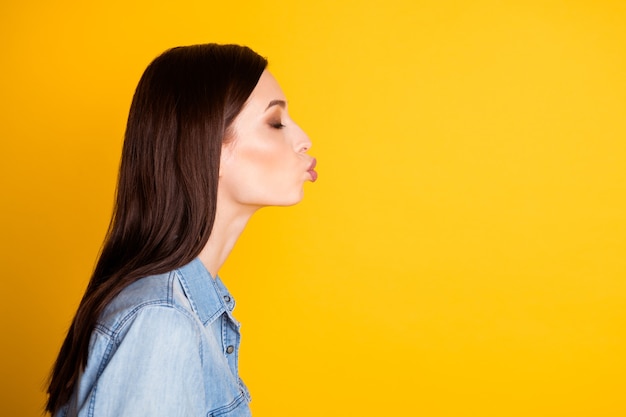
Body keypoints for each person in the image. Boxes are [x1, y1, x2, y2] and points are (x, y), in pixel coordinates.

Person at [46, 43, 316, 417]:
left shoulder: (190, 308)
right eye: (275, 122)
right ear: (209, 148)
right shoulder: (163, 321)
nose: (304, 139)